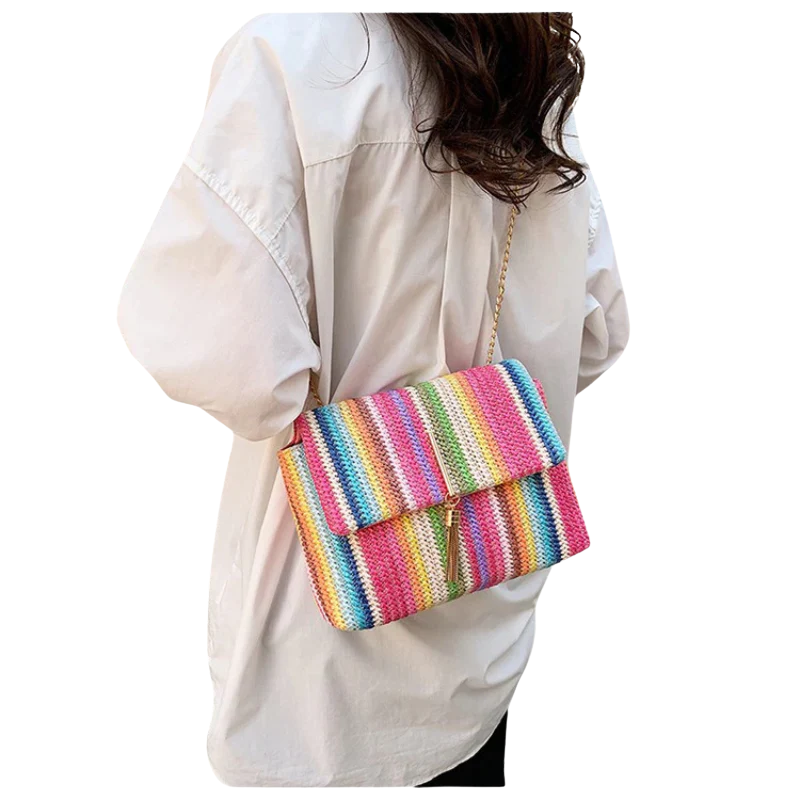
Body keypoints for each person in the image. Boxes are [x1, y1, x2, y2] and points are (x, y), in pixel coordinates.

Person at [117, 12, 629, 788]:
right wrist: (478, 425)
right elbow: (596, 330)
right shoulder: (530, 70)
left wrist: (349, 413)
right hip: (487, 627)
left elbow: (216, 350)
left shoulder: (290, 56)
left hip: (323, 655)